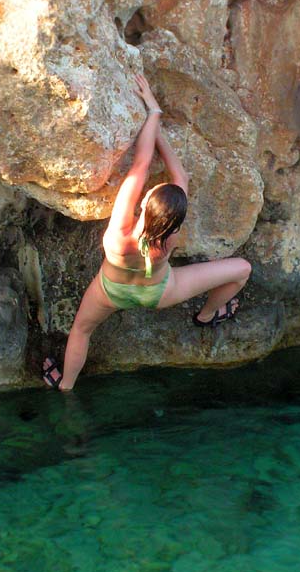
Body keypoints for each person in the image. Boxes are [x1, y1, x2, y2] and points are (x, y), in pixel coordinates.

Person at [43, 73, 252, 390]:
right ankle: (208, 315)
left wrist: (152, 113)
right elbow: (180, 175)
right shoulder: (170, 237)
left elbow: (140, 164)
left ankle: (65, 384)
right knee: (242, 270)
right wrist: (161, 133)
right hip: (158, 293)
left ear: (147, 204)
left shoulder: (119, 234)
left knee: (82, 330)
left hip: (111, 291)